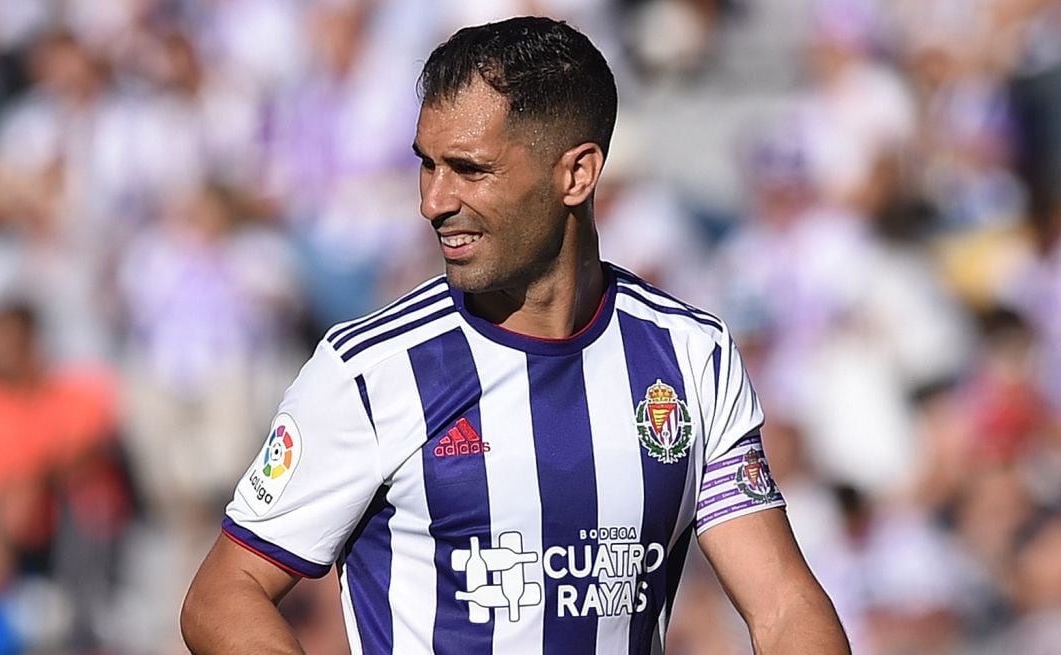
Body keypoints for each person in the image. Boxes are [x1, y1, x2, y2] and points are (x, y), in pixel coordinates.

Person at [181, 16, 849, 654]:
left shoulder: (689, 357)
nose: (434, 200)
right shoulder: (371, 370)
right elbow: (225, 593)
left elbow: (784, 604)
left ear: (576, 174)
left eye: (470, 169)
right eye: (427, 164)